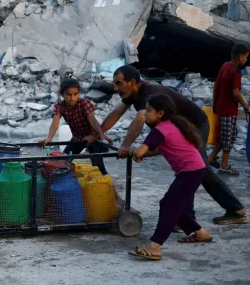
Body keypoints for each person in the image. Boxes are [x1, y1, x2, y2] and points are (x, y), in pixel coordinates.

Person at [100, 65, 247, 225]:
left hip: (195, 125)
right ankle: (187, 219)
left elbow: (140, 118)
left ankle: (235, 210)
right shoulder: (132, 94)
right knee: (188, 170)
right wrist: (98, 133)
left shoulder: (151, 94)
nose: (115, 88)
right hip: (176, 130)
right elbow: (117, 112)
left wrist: (125, 146)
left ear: (132, 82)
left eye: (119, 83)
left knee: (197, 168)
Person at [129, 94, 212, 261]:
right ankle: (201, 233)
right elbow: (160, 150)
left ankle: (155, 246)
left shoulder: (159, 130)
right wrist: (141, 153)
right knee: (173, 205)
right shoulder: (171, 125)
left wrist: (136, 154)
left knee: (169, 205)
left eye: (149, 111)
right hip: (196, 169)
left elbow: (140, 151)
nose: (145, 115)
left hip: (190, 171)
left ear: (160, 113)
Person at [41, 78, 113, 175]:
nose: (72, 98)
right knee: (64, 160)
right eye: (68, 94)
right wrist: (49, 138)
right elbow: (55, 123)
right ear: (62, 94)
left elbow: (93, 121)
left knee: (98, 166)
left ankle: (106, 185)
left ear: (79, 93)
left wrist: (101, 134)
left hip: (92, 137)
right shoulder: (59, 106)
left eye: (75, 94)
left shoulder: (84, 103)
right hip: (77, 138)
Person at [208, 44, 250, 176]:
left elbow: (217, 86)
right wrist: (246, 105)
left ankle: (212, 157)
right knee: (229, 137)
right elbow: (236, 93)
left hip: (221, 106)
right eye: (246, 57)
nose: (246, 60)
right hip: (228, 109)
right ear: (240, 56)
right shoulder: (235, 72)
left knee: (229, 133)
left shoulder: (225, 66)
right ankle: (224, 165)